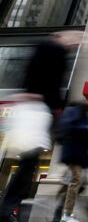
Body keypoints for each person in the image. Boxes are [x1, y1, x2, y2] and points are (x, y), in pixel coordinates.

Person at [0, 94, 53, 222]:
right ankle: (5, 212)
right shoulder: (30, 108)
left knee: (23, 180)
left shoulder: (38, 109)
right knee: (21, 180)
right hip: (29, 146)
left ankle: (7, 211)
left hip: (31, 146)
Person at [57, 100, 88, 222]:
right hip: (74, 152)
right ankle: (66, 215)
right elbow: (73, 128)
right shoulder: (74, 111)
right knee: (75, 180)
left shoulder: (82, 113)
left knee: (75, 180)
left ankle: (65, 213)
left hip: (78, 153)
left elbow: (83, 135)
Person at [23, 30, 83, 115]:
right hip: (40, 102)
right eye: (76, 41)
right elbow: (49, 79)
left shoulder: (57, 52)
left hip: (43, 102)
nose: (76, 44)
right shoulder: (52, 50)